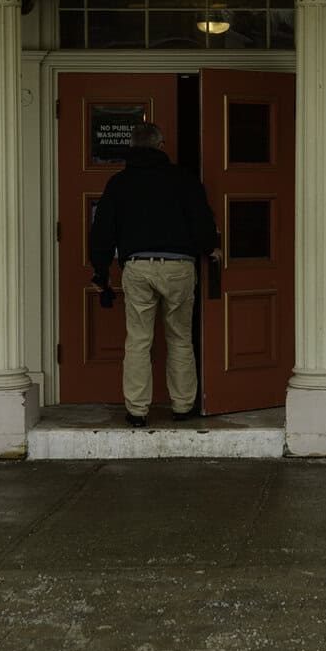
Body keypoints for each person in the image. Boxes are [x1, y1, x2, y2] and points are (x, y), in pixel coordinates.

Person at [89, 122, 220, 428]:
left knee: (138, 340)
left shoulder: (119, 183)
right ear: (161, 146)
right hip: (179, 267)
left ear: (132, 148)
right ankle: (183, 405)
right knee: (180, 338)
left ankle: (137, 410)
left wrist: (100, 271)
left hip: (137, 266)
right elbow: (201, 220)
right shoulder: (184, 179)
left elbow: (102, 233)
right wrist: (210, 248)